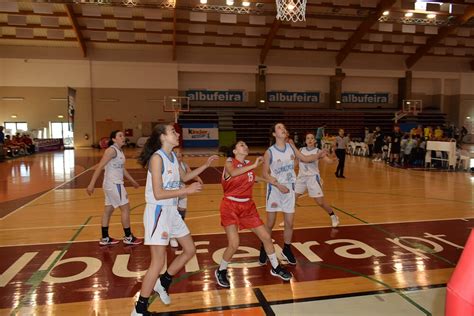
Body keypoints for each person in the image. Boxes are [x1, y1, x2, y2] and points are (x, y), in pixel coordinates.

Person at [132, 124, 218, 316]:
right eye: (173, 132)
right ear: (162, 136)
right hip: (158, 212)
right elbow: (158, 192)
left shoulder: (173, 157)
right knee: (157, 261)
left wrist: (205, 165)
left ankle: (164, 281)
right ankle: (139, 309)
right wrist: (186, 191)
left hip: (172, 212)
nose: (177, 133)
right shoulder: (157, 158)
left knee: (189, 250)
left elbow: (184, 176)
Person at [215, 141, 292, 288]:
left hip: (247, 207)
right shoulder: (230, 162)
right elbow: (233, 173)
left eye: (245, 144)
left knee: (266, 237)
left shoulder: (248, 165)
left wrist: (275, 184)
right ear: (235, 150)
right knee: (234, 244)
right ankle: (221, 270)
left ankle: (276, 267)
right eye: (241, 145)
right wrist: (253, 166)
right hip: (230, 206)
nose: (245, 146)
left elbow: (254, 178)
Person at [259, 123, 325, 266]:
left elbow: (305, 159)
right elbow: (265, 173)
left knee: (289, 223)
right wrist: (277, 184)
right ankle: (264, 246)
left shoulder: (291, 147)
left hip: (289, 189)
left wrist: (319, 154)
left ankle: (287, 249)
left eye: (284, 128)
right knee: (270, 223)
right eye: (279, 128)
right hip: (275, 189)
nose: (283, 129)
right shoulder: (269, 152)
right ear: (274, 134)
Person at [87, 130, 142, 246]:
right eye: (120, 136)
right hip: (114, 184)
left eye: (123, 135)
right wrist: (91, 183)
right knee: (125, 209)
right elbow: (100, 166)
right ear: (113, 139)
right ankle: (128, 237)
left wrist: (132, 181)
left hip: (111, 184)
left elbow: (122, 169)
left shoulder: (119, 151)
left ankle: (105, 238)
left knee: (108, 210)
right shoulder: (111, 150)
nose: (123, 137)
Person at [295, 132, 339, 227]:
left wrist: (333, 156)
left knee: (320, 202)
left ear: (315, 140)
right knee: (292, 199)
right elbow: (295, 163)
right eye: (308, 138)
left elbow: (329, 161)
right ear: (305, 141)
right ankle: (288, 220)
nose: (310, 140)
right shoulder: (301, 150)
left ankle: (333, 216)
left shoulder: (318, 151)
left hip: (313, 178)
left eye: (312, 138)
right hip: (301, 178)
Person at [169, 147, 204, 248]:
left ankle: (178, 230)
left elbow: (191, 174)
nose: (179, 154)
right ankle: (172, 236)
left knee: (182, 211)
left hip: (183, 190)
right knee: (173, 212)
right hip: (173, 191)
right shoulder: (170, 165)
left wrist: (198, 178)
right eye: (176, 152)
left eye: (180, 152)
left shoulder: (184, 165)